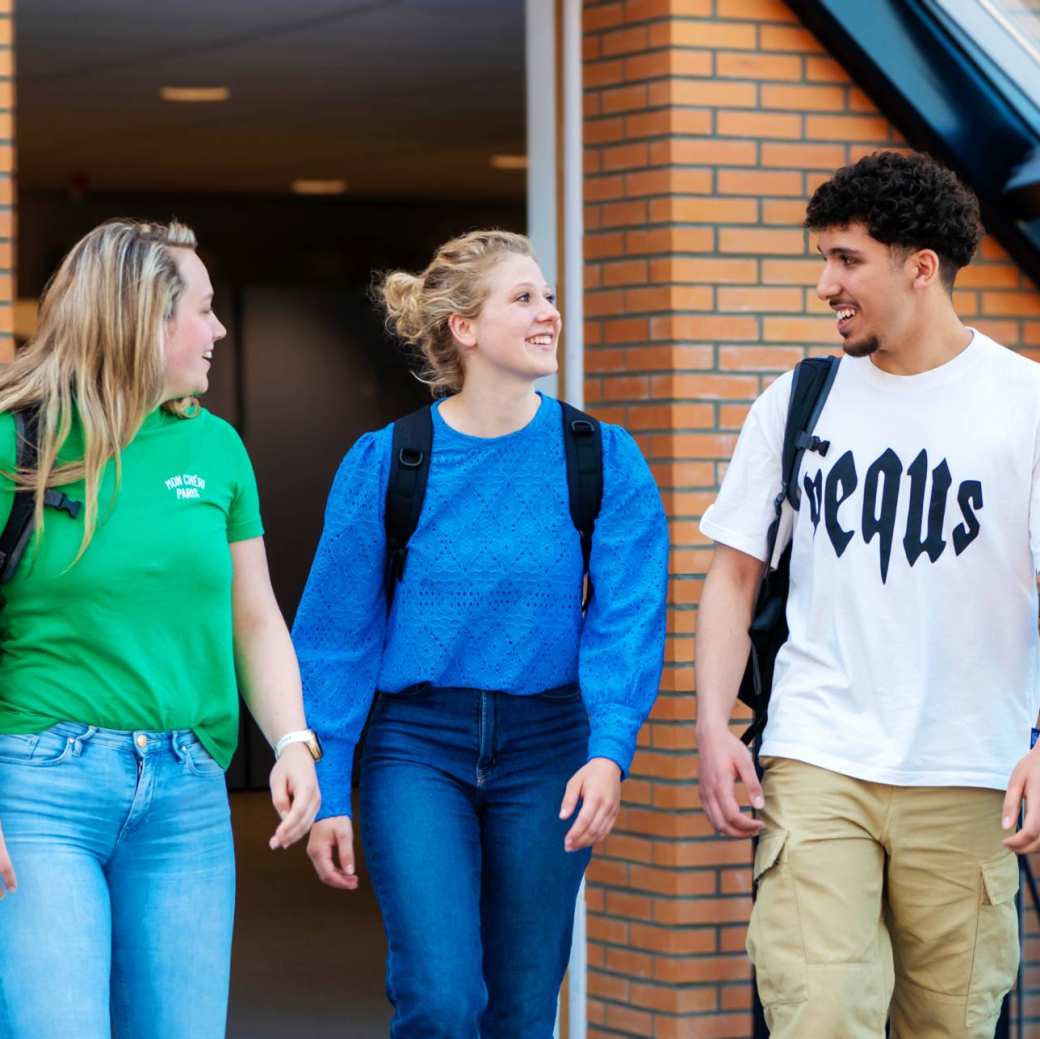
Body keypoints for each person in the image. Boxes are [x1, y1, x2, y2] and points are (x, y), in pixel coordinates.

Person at [293, 229, 668, 1037]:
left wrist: (610, 746)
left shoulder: (600, 457)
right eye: (524, 298)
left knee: (523, 1008)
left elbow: (627, 616)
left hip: (551, 746)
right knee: (440, 996)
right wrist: (328, 788)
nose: (550, 313)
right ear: (464, 329)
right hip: (418, 745)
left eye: (550, 297)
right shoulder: (388, 461)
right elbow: (333, 636)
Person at [696, 150, 1037, 1038]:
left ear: (920, 267)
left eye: (847, 260)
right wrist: (708, 727)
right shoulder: (798, 400)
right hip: (817, 757)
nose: (823, 284)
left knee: (950, 1023)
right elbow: (733, 576)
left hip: (971, 768)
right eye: (823, 258)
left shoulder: (1024, 407)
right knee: (817, 1016)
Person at [0, 218, 322, 1039]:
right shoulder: (16, 436)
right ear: (143, 316)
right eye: (204, 310)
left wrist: (291, 740)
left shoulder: (217, 448)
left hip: (186, 789)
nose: (219, 329)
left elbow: (253, 616)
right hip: (38, 788)